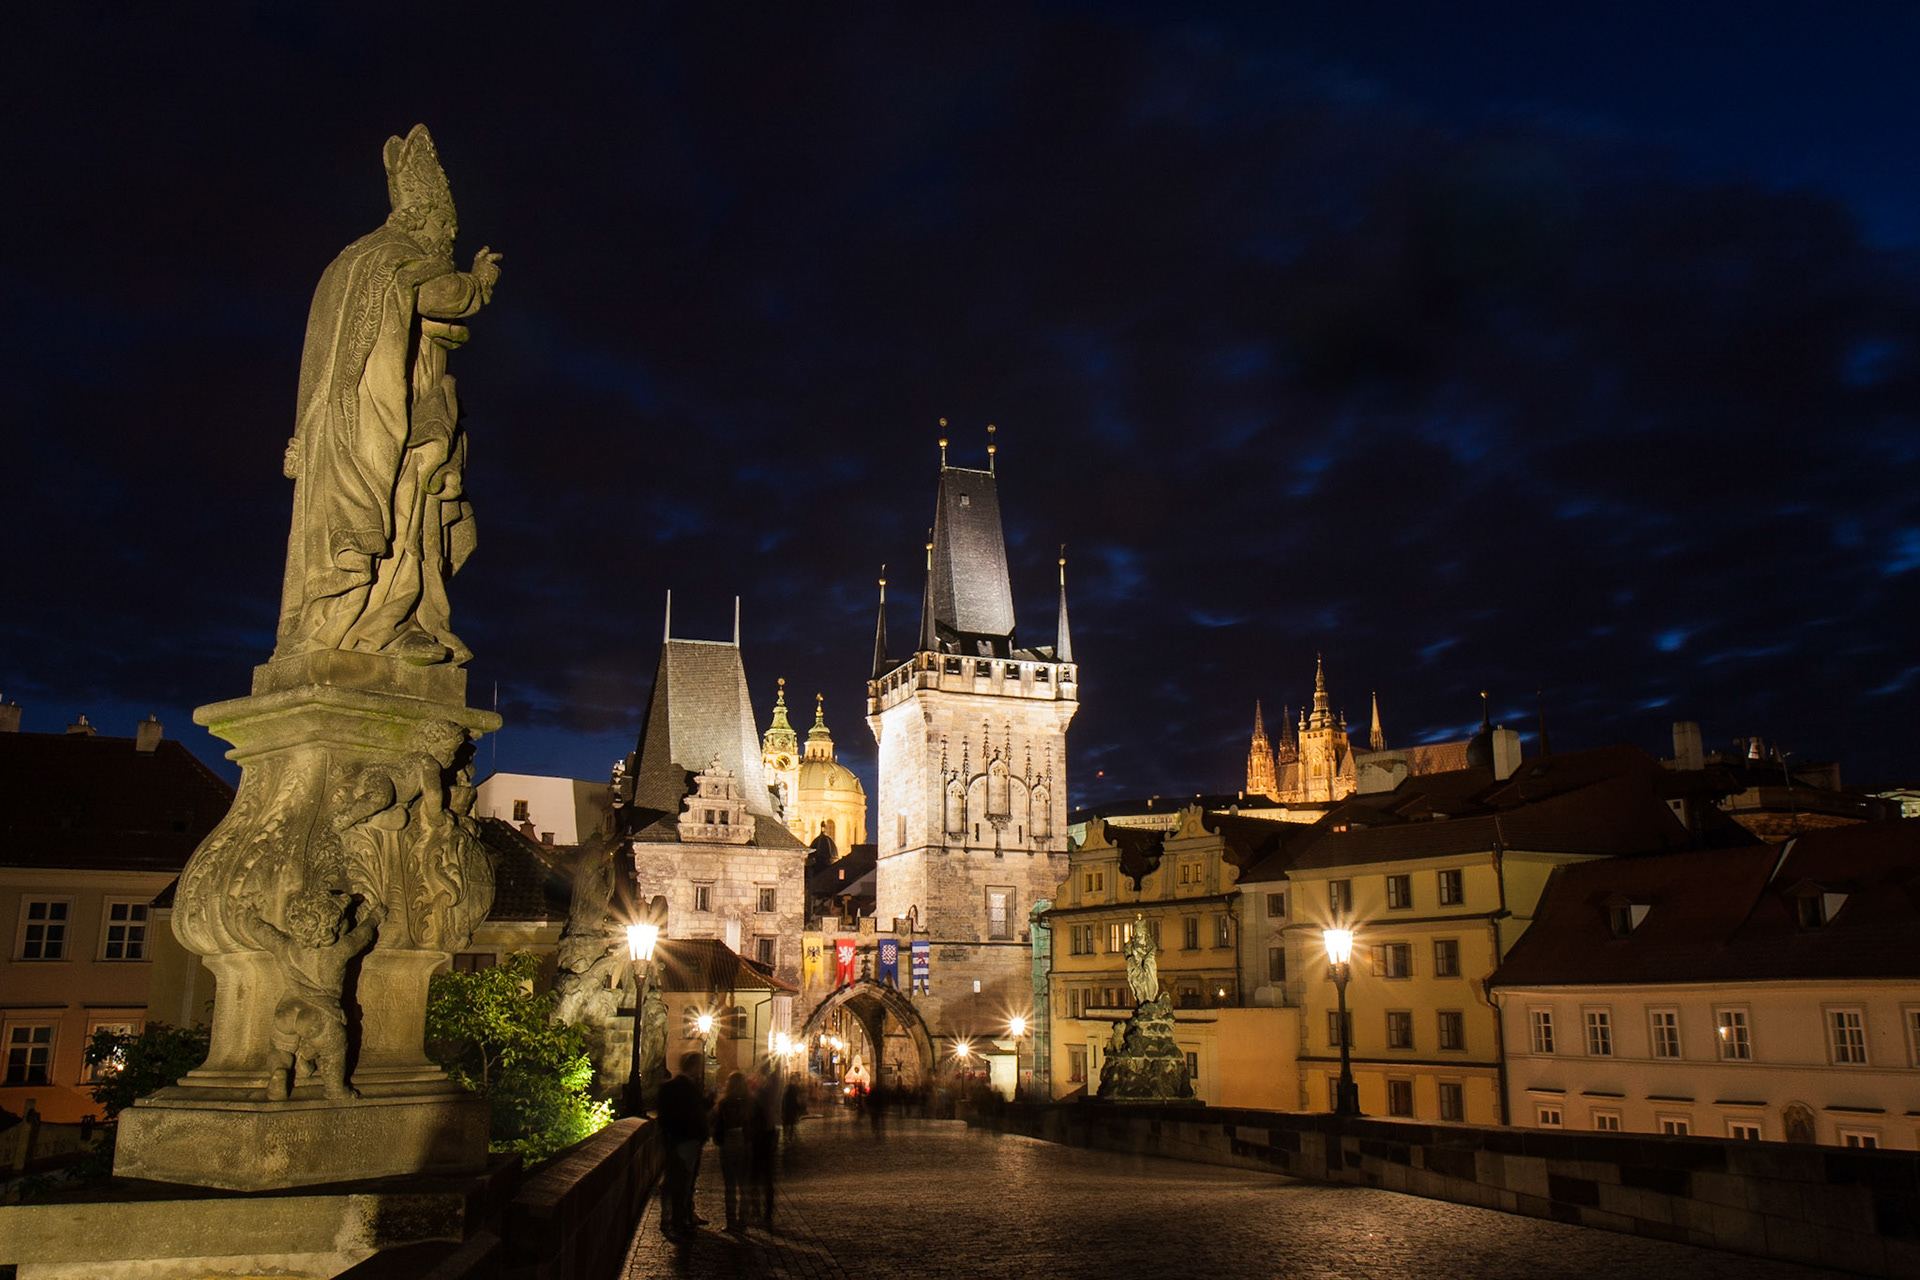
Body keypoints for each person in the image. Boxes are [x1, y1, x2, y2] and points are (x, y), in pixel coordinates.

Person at [276, 124, 503, 668]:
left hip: (351, 420)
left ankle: (371, 625)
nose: (447, 243)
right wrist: (479, 284)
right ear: (426, 220)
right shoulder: (394, 257)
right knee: (392, 516)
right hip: (376, 422)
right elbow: (441, 294)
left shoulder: (350, 264)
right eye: (446, 231)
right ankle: (373, 628)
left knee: (401, 513)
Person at [656, 1052, 709, 1235]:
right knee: (682, 1180)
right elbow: (688, 1114)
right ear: (693, 1066)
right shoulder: (684, 1087)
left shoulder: (675, 1086)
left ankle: (682, 1214)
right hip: (685, 1139)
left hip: (680, 1139)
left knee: (680, 1179)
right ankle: (679, 1218)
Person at [710, 1072, 753, 1232]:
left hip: (728, 1144)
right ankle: (743, 1220)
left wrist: (719, 1141)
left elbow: (717, 1126)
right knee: (744, 1185)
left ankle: (730, 1222)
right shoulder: (749, 1102)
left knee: (730, 1186)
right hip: (745, 1144)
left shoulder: (724, 1103)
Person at [751, 1070, 782, 1224]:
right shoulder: (774, 1093)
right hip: (770, 1133)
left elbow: (755, 1113)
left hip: (760, 1135)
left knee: (755, 1175)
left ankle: (755, 1208)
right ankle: (767, 1210)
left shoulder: (762, 1094)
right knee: (767, 1175)